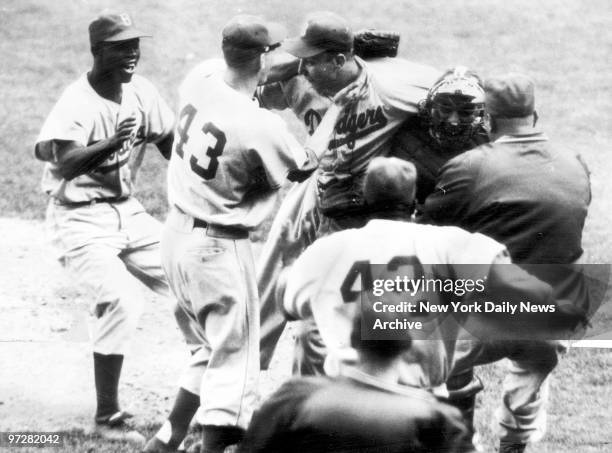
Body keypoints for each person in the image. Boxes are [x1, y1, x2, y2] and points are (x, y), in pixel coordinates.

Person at [143, 15, 364, 453]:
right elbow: (304, 163)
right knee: (236, 363)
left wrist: (286, 64)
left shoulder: (200, 78)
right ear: (261, 57)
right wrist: (337, 107)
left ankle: (167, 437)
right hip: (216, 249)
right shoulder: (257, 125)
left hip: (175, 238)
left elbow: (253, 73)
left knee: (213, 346)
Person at [277, 157, 586, 453]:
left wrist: (292, 262)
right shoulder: (454, 243)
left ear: (365, 199)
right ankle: (515, 437)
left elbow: (288, 305)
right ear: (414, 202)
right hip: (423, 409)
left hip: (342, 406)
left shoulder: (327, 251)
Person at [256, 11, 441, 374]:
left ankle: (344, 375)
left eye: (311, 61)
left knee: (340, 291)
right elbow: (255, 90)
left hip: (358, 198)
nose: (304, 68)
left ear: (340, 60)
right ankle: (242, 370)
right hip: (314, 184)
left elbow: (458, 92)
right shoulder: (298, 78)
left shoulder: (388, 86)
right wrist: (273, 71)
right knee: (272, 269)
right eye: (301, 59)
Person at [420, 73, 592, 453]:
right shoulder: (575, 161)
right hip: (559, 308)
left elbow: (428, 234)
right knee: (532, 367)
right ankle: (515, 443)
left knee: (421, 321)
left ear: (487, 119)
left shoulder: (469, 165)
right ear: (535, 114)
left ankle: (460, 435)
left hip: (490, 310)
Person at [34, 11, 175, 445]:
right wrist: (113, 142)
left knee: (188, 275)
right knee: (121, 298)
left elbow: (171, 144)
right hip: (78, 219)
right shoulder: (75, 101)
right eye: (121, 45)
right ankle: (107, 415)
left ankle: (212, 392)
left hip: (128, 212)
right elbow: (64, 162)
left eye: (135, 44)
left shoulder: (142, 91)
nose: (132, 52)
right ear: (98, 50)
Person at [240, 313, 469, 453]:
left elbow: (253, 447)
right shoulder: (436, 419)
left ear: (353, 343)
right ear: (406, 350)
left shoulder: (296, 396)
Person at [391, 66, 488, 204]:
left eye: (465, 112)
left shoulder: (487, 143)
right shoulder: (405, 137)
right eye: (446, 109)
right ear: (430, 107)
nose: (453, 121)